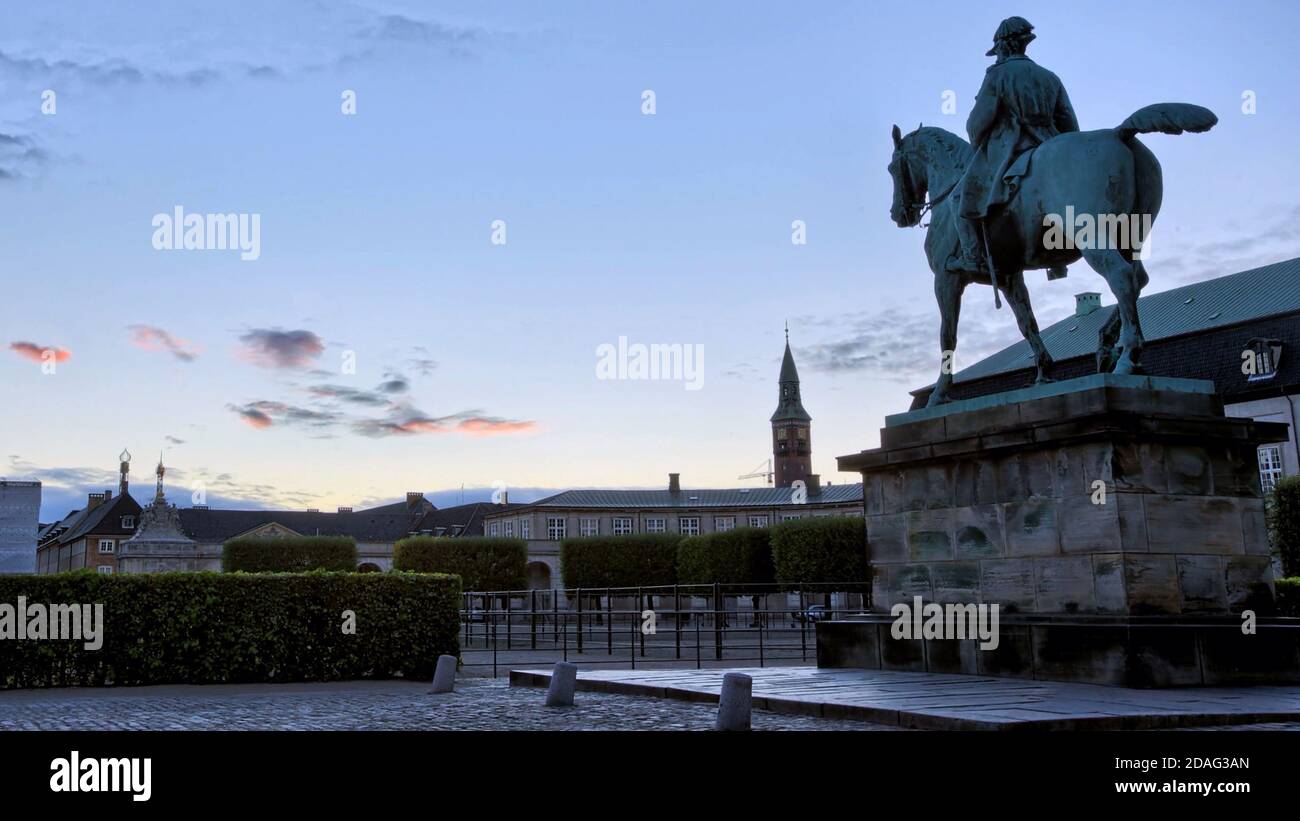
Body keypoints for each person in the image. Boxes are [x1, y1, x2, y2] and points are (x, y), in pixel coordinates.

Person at [950, 17, 1079, 280]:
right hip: (1050, 144)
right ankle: (1057, 260)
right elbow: (1070, 125)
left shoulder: (997, 76)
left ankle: (974, 257)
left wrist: (979, 144)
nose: (996, 57)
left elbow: (977, 125)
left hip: (1010, 149)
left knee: (957, 199)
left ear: (1003, 48)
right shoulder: (1049, 77)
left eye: (996, 52)